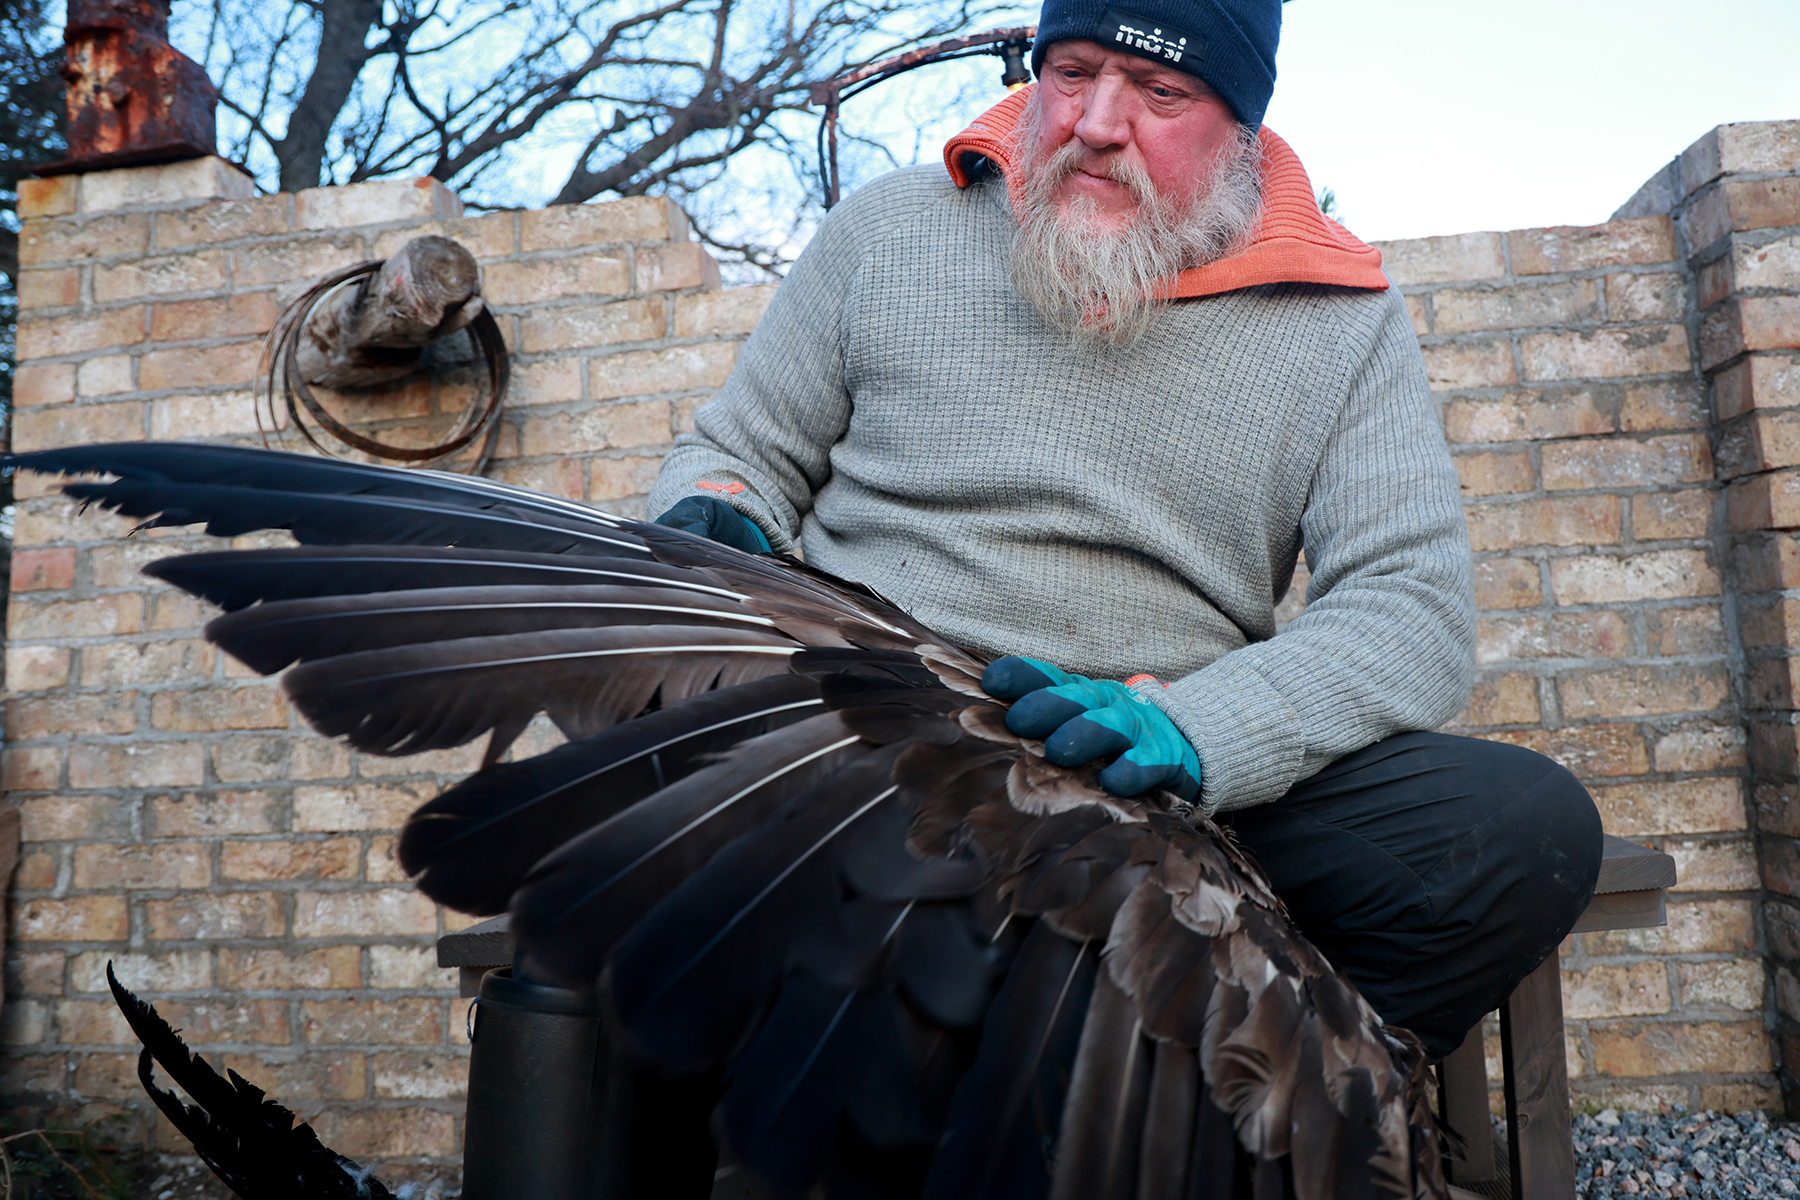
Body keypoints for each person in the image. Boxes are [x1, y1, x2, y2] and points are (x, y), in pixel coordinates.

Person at [647, 0, 1601, 1062]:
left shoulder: (1342, 317)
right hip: (886, 740)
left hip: (1166, 788)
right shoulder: (888, 230)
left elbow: (1409, 610)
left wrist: (1199, 733)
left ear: (1240, 126)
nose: (1097, 122)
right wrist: (718, 510)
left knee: (1523, 828)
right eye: (1072, 70)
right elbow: (741, 454)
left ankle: (1239, 1125)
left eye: (1159, 90)